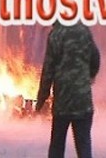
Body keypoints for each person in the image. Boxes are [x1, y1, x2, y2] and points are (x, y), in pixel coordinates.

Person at [35, 21, 101, 158]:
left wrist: (41, 99)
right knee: (83, 146)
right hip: (83, 101)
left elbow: (48, 70)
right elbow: (96, 57)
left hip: (62, 102)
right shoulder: (84, 30)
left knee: (57, 146)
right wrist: (90, 76)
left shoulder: (55, 35)